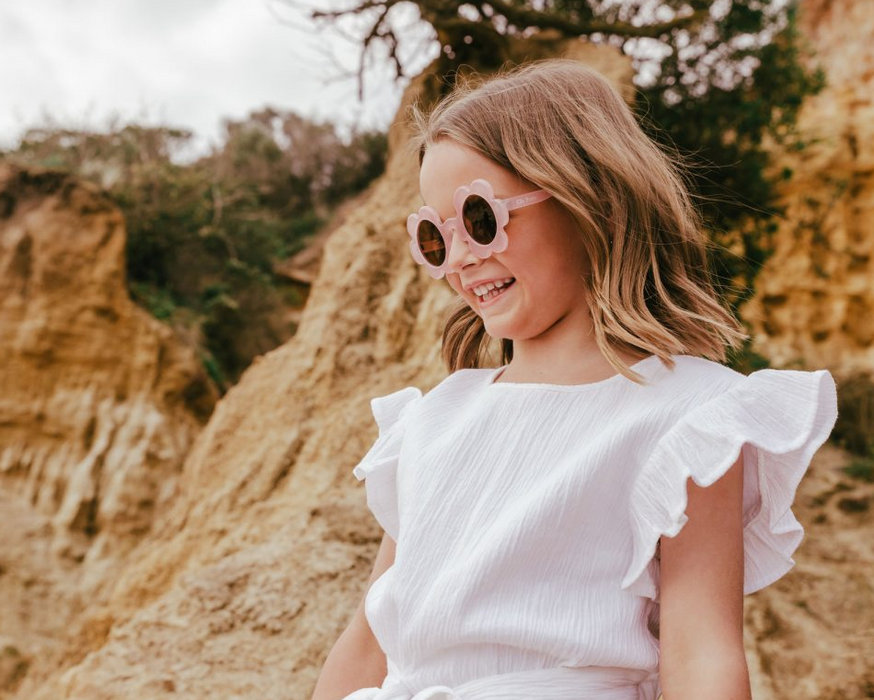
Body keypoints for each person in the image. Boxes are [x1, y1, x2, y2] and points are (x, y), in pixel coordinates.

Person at [310, 59, 839, 700]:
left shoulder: (690, 418)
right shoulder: (430, 423)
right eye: (435, 236)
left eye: (480, 218)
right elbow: (368, 641)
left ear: (591, 199)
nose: (462, 257)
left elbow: (702, 655)